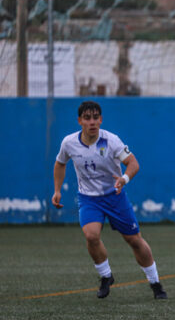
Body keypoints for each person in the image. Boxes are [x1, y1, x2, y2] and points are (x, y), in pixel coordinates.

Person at [52, 101, 167, 300]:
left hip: (115, 196)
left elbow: (133, 163)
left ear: (101, 120)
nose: (92, 122)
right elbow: (60, 163)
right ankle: (106, 276)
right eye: (87, 118)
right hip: (89, 198)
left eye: (96, 117)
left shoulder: (111, 140)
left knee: (134, 240)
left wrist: (124, 179)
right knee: (91, 236)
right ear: (80, 121)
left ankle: (155, 283)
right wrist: (57, 190)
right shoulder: (69, 143)